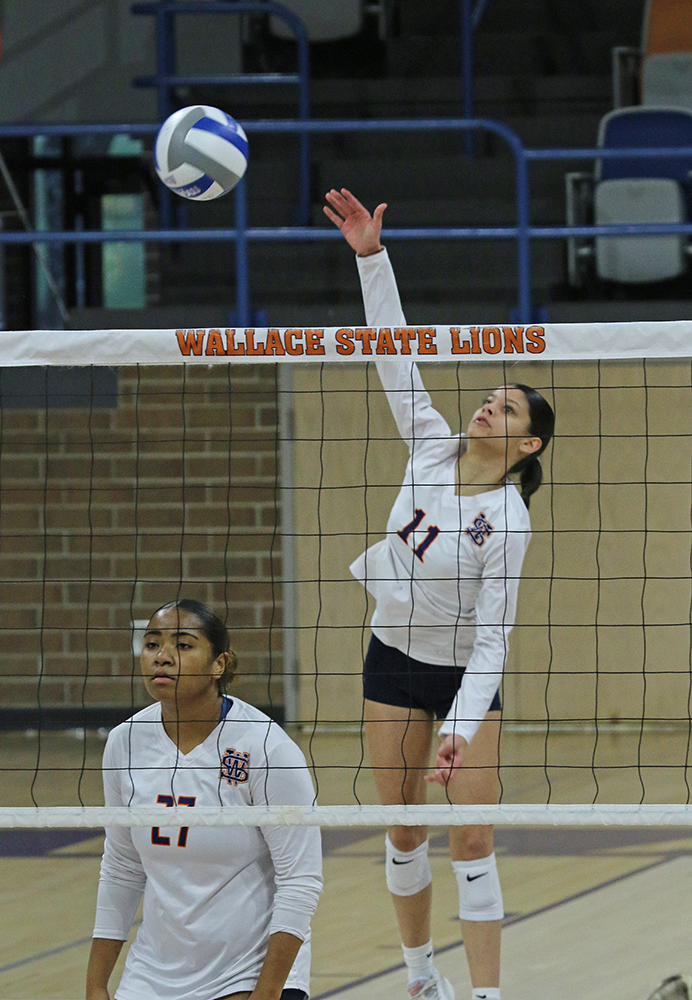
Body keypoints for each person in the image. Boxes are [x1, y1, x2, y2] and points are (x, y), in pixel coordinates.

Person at [323, 189, 555, 1000]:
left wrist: (462, 725)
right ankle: (421, 978)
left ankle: (486, 994)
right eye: (491, 395)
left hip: (462, 677)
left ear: (525, 443)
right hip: (391, 658)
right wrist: (370, 257)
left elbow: (493, 640)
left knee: (473, 837)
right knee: (400, 829)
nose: (488, 404)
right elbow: (393, 353)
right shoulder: (428, 444)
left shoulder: (508, 521)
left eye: (507, 407)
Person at [86, 598, 323, 1000]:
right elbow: (123, 866)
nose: (162, 657)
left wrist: (266, 994)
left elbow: (300, 881)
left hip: (248, 974)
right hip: (153, 975)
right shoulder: (124, 743)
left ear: (219, 664)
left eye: (182, 645)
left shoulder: (266, 747)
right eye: (151, 644)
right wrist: (96, 984)